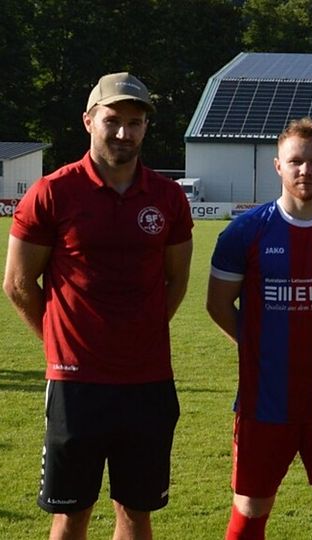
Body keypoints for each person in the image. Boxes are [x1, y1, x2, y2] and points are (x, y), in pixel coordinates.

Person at [3, 72, 193, 539]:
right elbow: (19, 283)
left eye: (136, 122)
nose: (125, 132)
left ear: (146, 127)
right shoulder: (52, 192)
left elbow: (177, 279)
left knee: (136, 511)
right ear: (89, 121)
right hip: (76, 384)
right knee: (71, 513)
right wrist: (61, 344)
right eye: (113, 120)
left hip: (147, 381)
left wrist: (139, 335)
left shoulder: (168, 198)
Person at [206, 117, 312, 540]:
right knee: (250, 505)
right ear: (278, 166)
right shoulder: (245, 232)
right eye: (296, 161)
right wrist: (258, 346)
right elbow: (218, 305)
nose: (306, 170)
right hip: (263, 399)